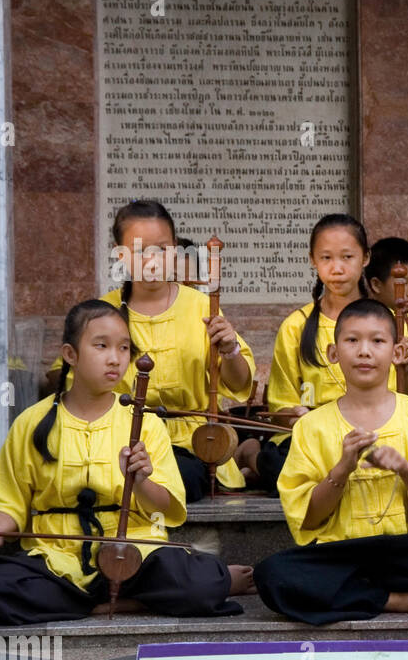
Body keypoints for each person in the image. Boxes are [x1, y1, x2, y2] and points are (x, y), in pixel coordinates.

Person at [0, 300, 246, 624]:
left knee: (204, 579)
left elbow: (166, 510)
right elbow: (9, 503)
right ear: (70, 355)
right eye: (101, 346)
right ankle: (120, 605)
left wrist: (141, 480)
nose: (115, 358)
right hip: (59, 559)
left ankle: (87, 604)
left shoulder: (144, 423)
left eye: (124, 348)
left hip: (134, 554)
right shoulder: (32, 422)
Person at [252, 299, 408, 625]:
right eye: (352, 340)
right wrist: (341, 469)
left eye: (378, 341)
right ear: (333, 353)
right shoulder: (311, 426)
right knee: (273, 575)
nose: (364, 351)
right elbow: (308, 518)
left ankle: (364, 594)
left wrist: (405, 468)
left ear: (396, 353)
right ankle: (395, 600)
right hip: (345, 555)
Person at [55, 201, 257, 503]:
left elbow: (240, 385)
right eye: (139, 251)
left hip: (187, 446)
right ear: (121, 255)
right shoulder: (102, 312)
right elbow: (69, 385)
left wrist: (229, 350)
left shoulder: (201, 306)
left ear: (176, 250)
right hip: (116, 440)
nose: (152, 261)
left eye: (162, 249)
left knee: (176, 478)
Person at [243, 216, 408, 493]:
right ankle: (252, 455)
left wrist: (406, 370)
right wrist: (295, 414)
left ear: (365, 258)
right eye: (326, 258)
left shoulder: (391, 323)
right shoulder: (296, 326)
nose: (337, 268)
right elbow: (279, 408)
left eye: (347, 257)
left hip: (381, 435)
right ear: (312, 259)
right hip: (317, 438)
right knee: (286, 468)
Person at [364, 236, 408, 401]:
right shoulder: (360, 322)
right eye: (404, 283)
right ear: (376, 285)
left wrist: (406, 371)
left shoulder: (406, 326)